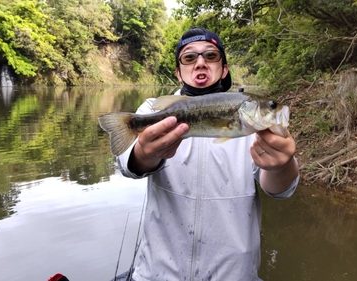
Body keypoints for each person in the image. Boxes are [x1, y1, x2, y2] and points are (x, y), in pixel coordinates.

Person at [114, 27, 299, 281]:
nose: (200, 62)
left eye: (211, 56)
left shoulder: (253, 130)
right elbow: (126, 162)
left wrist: (280, 166)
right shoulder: (151, 109)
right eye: (189, 58)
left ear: (224, 69)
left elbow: (279, 189)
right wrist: (145, 155)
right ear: (178, 72)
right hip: (158, 274)